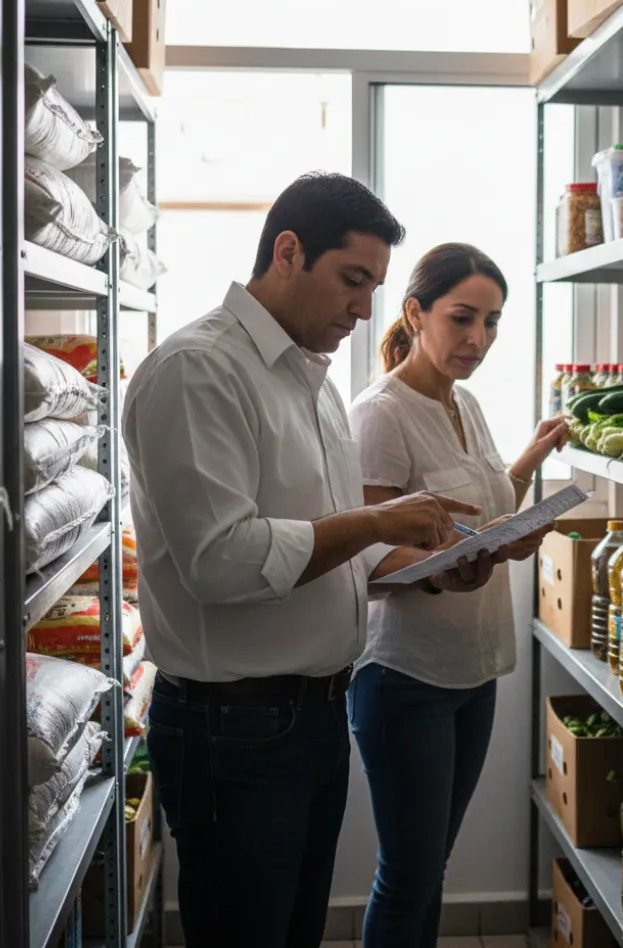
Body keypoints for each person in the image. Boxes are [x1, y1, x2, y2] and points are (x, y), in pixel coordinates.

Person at [121, 175, 548, 948]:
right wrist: (375, 521)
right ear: (288, 252)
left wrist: (436, 566)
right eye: (353, 279)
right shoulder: (197, 369)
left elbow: (339, 558)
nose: (364, 308)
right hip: (235, 724)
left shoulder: (311, 380)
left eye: (374, 286)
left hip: (314, 711)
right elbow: (220, 560)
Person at [348, 243, 568, 947]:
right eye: (462, 318)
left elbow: (487, 505)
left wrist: (530, 464)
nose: (479, 338)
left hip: (473, 668)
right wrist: (448, 569)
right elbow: (373, 554)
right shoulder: (381, 414)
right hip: (404, 676)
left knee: (429, 866)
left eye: (492, 322)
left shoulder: (463, 402)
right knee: (408, 873)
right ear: (416, 313)